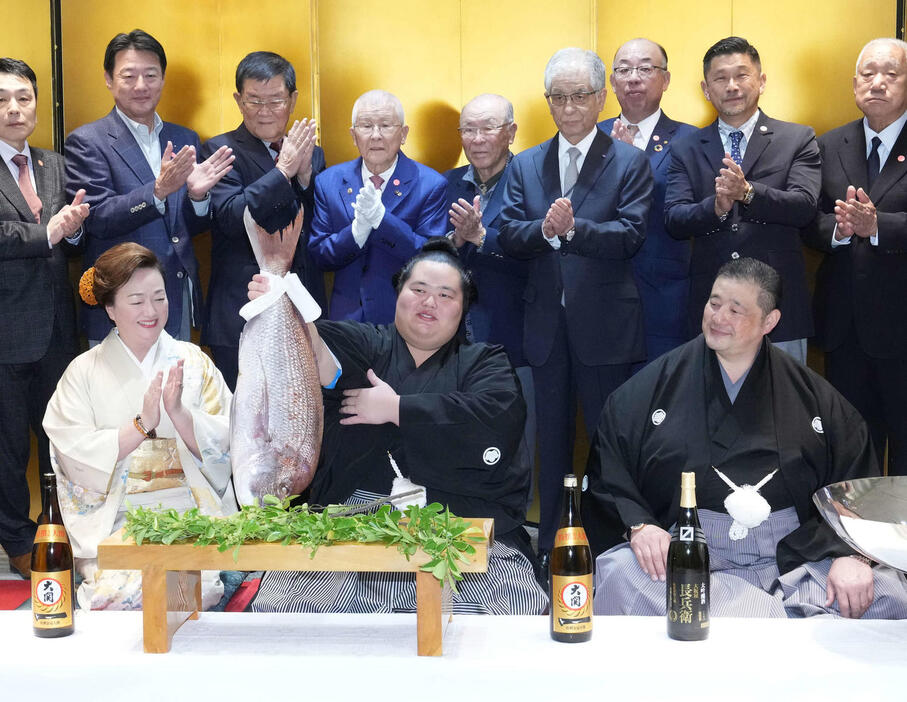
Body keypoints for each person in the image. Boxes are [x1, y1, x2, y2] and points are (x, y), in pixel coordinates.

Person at [582, 257, 907, 619]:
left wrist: (852, 556)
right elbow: (609, 465)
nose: (718, 318)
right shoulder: (651, 388)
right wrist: (640, 526)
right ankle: (781, 620)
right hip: (690, 549)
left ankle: (749, 615)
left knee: (887, 591)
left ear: (769, 321)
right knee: (620, 574)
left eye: (735, 310)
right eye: (714, 303)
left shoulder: (815, 398)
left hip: (793, 553)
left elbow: (857, 485)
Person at [247, 238, 547, 614]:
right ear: (398, 293)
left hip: (458, 518)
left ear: (463, 308)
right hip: (352, 520)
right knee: (288, 615)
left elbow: (493, 418)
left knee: (504, 616)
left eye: (445, 295)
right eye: (418, 289)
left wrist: (398, 409)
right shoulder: (366, 342)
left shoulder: (486, 363)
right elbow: (317, 353)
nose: (429, 302)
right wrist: (285, 300)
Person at [498, 47, 653, 562]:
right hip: (544, 325)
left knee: (610, 442)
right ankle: (549, 549)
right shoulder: (525, 163)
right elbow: (510, 234)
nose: (568, 108)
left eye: (580, 97)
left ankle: (609, 548)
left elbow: (631, 234)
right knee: (551, 444)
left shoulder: (629, 160)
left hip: (606, 325)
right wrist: (544, 231)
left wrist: (575, 229)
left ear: (600, 96)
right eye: (558, 98)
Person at [43, 243, 236, 610]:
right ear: (110, 309)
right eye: (136, 301)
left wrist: (179, 415)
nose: (151, 311)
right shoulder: (82, 373)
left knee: (195, 585)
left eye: (159, 298)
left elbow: (229, 443)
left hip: (191, 519)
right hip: (118, 524)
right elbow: (72, 454)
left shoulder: (193, 362)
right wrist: (142, 425)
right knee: (120, 595)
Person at [64, 29, 235, 343]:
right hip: (119, 302)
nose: (141, 86)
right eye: (129, 76)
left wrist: (198, 197)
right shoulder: (87, 142)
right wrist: (156, 192)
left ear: (163, 78)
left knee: (175, 390)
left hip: (175, 296)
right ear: (108, 78)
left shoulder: (185, 138)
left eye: (151, 75)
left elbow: (188, 228)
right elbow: (98, 218)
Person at [665, 36, 821, 364]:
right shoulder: (686, 148)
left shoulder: (797, 138)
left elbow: (804, 207)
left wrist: (748, 193)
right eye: (721, 78)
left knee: (783, 409)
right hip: (713, 310)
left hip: (778, 308)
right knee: (712, 410)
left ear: (761, 82)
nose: (732, 86)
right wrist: (716, 208)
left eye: (742, 75)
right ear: (706, 89)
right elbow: (675, 219)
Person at [0, 58, 89, 578]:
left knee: (59, 438)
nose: (15, 108)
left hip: (58, 328)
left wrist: (73, 230)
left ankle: (58, 530)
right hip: (7, 331)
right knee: (8, 447)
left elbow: (69, 238)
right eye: (3, 99)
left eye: (24, 98)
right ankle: (14, 536)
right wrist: (49, 233)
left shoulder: (53, 164)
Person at [805, 38, 907, 476]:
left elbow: (878, 221)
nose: (878, 83)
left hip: (902, 327)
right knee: (851, 456)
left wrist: (878, 225)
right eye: (868, 74)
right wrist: (842, 230)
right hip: (845, 329)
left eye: (891, 73)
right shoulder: (828, 144)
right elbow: (809, 222)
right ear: (853, 83)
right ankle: (857, 545)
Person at [201, 51, 326, 390]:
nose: (266, 112)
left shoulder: (312, 152)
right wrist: (283, 172)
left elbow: (316, 228)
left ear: (293, 99)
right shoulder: (220, 150)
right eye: (255, 101)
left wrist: (303, 181)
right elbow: (230, 217)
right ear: (238, 101)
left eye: (276, 101)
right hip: (241, 310)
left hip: (301, 309)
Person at [445, 93, 534, 511]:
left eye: (488, 128)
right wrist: (455, 240)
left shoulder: (533, 178)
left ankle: (514, 547)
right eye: (468, 129)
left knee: (517, 447)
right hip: (453, 344)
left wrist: (482, 237)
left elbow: (540, 251)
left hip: (515, 335)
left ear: (511, 132)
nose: (477, 139)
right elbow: (428, 255)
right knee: (459, 447)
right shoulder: (446, 183)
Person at [308, 90, 448, 324]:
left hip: (406, 321)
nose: (375, 135)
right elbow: (319, 255)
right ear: (353, 135)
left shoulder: (431, 184)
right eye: (366, 126)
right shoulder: (328, 181)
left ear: (403, 134)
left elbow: (432, 259)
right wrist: (356, 232)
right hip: (346, 322)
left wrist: (382, 220)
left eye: (385, 125)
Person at [599, 38, 697, 364]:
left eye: (645, 68)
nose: (634, 78)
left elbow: (689, 211)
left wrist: (632, 163)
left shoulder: (691, 139)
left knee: (664, 400)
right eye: (623, 70)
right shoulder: (590, 138)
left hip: (664, 296)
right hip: (602, 293)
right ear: (611, 82)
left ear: (665, 79)